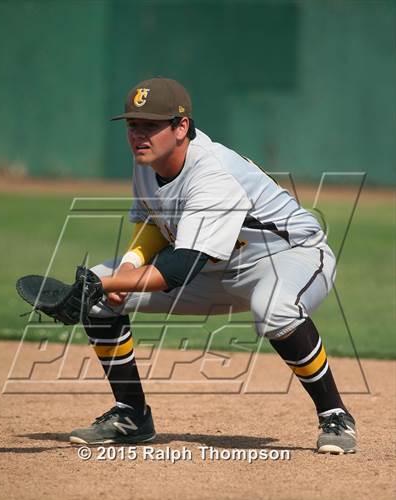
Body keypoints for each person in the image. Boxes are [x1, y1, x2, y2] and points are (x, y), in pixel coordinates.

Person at [69, 77, 357, 454]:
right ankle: (131, 416)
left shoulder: (212, 174)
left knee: (275, 311)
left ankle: (335, 414)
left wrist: (102, 283)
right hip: (213, 267)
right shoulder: (148, 160)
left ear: (181, 127)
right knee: (101, 296)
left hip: (286, 256)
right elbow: (154, 224)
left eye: (151, 125)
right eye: (133, 125)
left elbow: (178, 268)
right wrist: (123, 270)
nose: (139, 135)